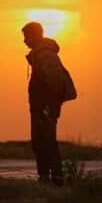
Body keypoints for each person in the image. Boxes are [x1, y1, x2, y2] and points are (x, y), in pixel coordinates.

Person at [23, 21, 72, 184]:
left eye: (26, 36)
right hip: (41, 107)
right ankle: (45, 177)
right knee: (40, 143)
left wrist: (49, 107)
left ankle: (56, 179)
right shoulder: (41, 55)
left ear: (35, 35)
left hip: (45, 108)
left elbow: (55, 82)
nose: (24, 41)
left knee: (47, 143)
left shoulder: (46, 56)